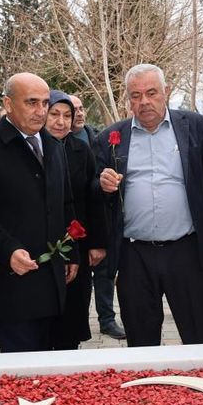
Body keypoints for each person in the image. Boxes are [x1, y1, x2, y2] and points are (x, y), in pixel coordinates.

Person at [97, 63, 203, 347]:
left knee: (202, 333)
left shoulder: (195, 126)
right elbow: (97, 193)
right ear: (128, 100)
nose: (144, 102)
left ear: (166, 91)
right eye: (136, 95)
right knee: (141, 339)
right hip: (134, 254)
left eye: (151, 93)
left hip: (187, 250)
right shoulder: (111, 138)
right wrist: (102, 185)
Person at [0, 73, 78, 353]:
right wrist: (8, 251)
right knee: (24, 374)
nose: (41, 111)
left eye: (44, 103)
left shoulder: (53, 145)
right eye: (31, 103)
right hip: (12, 285)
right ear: (8, 103)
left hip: (54, 282)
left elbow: (65, 203)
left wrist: (71, 251)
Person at [46, 91, 109, 349]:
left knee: (73, 309)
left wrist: (98, 242)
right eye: (55, 114)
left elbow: (94, 195)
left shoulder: (81, 149)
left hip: (77, 238)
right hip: (43, 242)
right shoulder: (32, 147)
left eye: (67, 116)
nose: (61, 122)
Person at [69, 94, 126, 340]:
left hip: (101, 215)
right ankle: (77, 321)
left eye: (81, 108)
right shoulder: (56, 141)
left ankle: (107, 319)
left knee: (104, 273)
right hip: (75, 219)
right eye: (74, 110)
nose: (79, 113)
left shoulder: (98, 137)